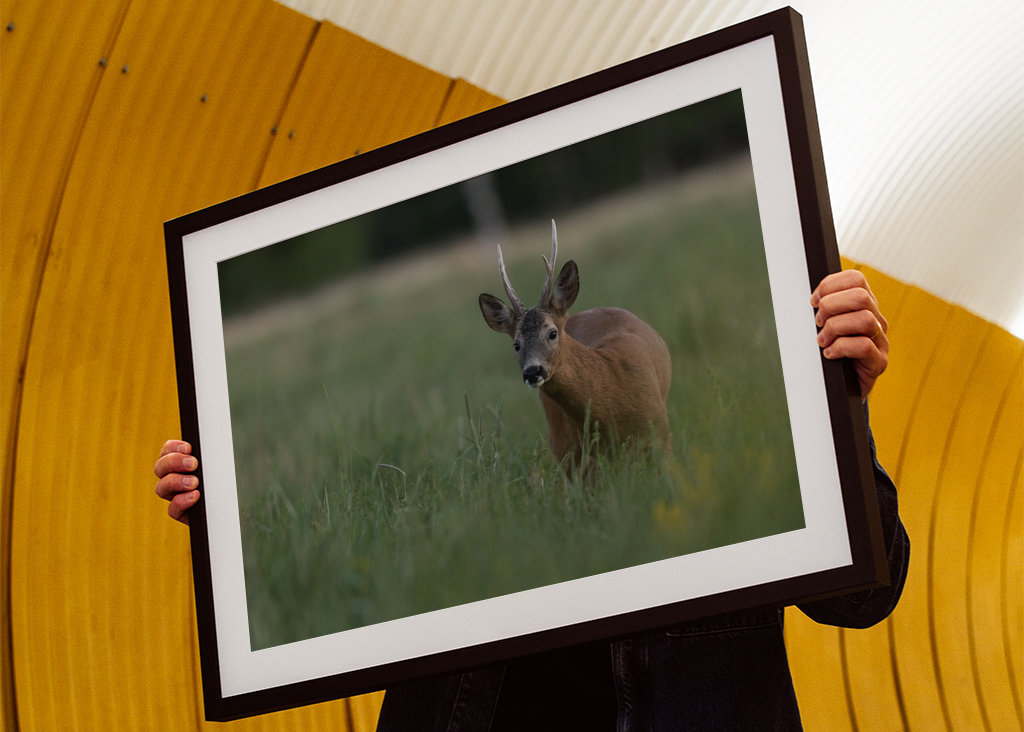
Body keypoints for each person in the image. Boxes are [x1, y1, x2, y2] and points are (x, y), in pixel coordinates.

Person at [155, 270, 909, 730]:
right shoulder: (541, 426)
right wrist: (232, 515)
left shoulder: (677, 410)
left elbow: (866, 597)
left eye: (546, 340)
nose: (533, 359)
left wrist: (841, 404)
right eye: (521, 345)